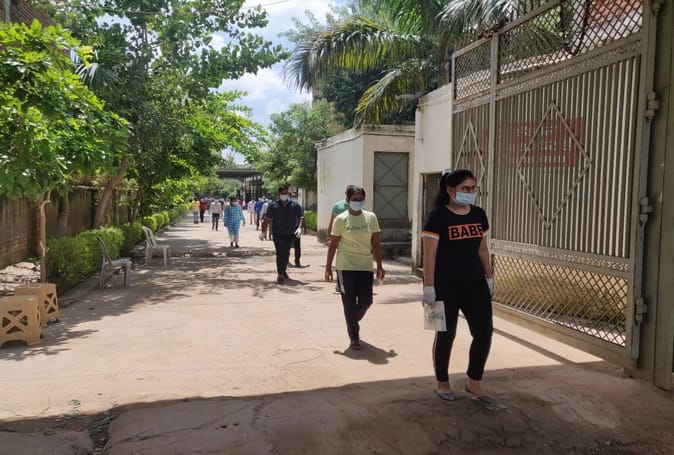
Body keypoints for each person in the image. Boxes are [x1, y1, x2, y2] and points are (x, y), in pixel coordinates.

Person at [421, 169, 495, 405]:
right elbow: (429, 255)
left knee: (484, 332)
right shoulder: (437, 217)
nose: (470, 192)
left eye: (473, 188)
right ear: (450, 190)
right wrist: (428, 287)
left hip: (475, 283)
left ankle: (474, 381)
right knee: (445, 334)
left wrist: (489, 277)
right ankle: (442, 382)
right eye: (465, 188)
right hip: (444, 286)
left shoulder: (479, 214)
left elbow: (482, 248)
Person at [324, 185, 385, 350]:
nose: (358, 202)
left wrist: (380, 265)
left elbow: (376, 243)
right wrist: (328, 267)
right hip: (345, 266)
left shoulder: (371, 217)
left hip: (365, 265)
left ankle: (352, 318)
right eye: (354, 199)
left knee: (367, 300)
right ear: (348, 200)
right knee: (349, 302)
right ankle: (354, 337)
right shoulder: (340, 219)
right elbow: (333, 244)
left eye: (361, 199)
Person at [260, 185, 304, 284]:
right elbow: (267, 219)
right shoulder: (273, 205)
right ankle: (280, 274)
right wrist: (263, 232)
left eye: (286, 193)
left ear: (288, 194)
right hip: (277, 233)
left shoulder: (295, 205)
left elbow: (301, 217)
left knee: (286, 252)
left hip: (290, 233)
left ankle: (283, 271)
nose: (284, 195)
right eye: (282, 193)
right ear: (278, 194)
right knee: (280, 252)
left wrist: (299, 228)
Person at [289, 191, 306, 268]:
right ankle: (286, 261)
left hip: (296, 228)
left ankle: (297, 261)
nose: (294, 198)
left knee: (297, 246)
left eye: (295, 196)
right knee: (287, 245)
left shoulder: (299, 207)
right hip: (288, 228)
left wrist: (301, 228)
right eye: (292, 196)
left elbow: (302, 218)